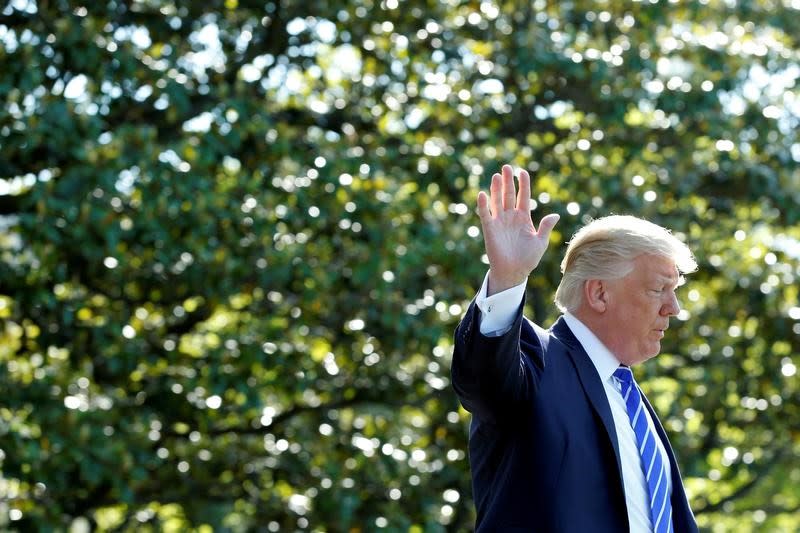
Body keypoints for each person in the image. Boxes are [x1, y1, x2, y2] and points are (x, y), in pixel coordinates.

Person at [451, 164, 700, 532]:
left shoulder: (631, 403)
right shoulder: (536, 359)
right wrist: (507, 279)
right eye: (657, 289)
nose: (673, 308)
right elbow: (483, 380)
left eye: (675, 291)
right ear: (600, 293)